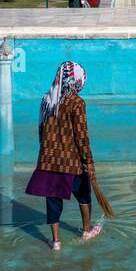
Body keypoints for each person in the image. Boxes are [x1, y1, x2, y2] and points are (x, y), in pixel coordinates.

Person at [25, 61, 102, 251]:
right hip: (71, 161)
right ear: (75, 80)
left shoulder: (47, 100)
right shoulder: (77, 103)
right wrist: (88, 162)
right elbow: (81, 136)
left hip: (49, 160)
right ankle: (86, 230)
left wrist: (48, 150)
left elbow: (41, 131)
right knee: (83, 194)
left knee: (52, 200)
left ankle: (56, 241)